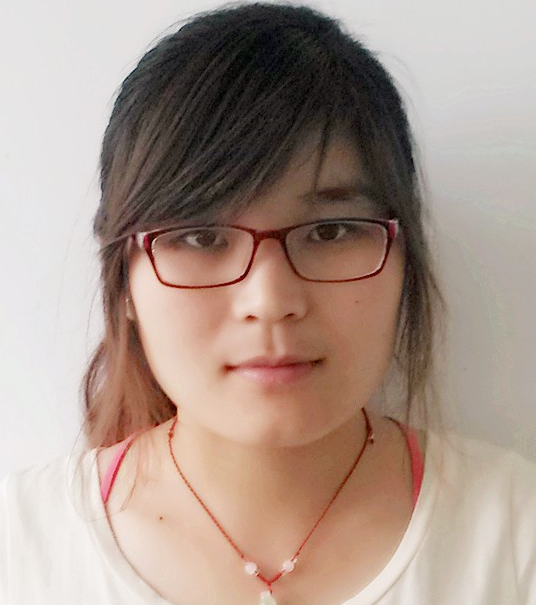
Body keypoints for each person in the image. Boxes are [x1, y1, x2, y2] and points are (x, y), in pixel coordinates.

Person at [1, 3, 535, 604]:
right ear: (124, 279)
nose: (271, 301)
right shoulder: (18, 551)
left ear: (403, 256)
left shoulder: (514, 535)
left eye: (330, 231)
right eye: (200, 237)